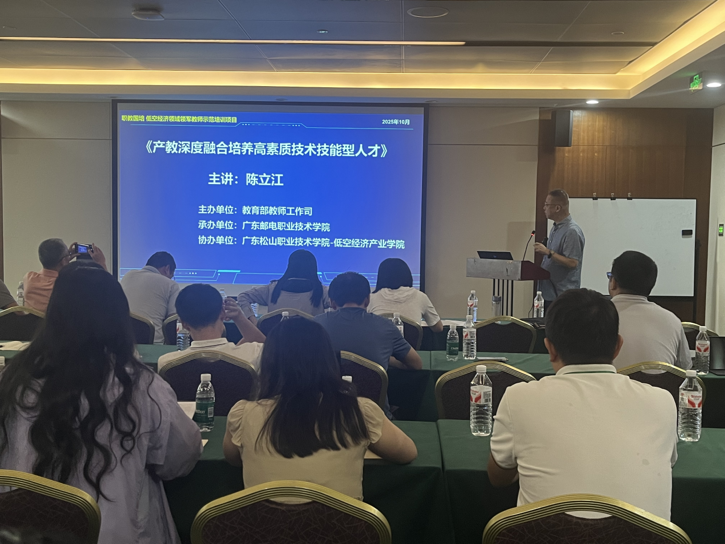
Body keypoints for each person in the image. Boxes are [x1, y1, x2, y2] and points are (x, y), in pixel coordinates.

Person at [0, 262, 202, 544]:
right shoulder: (141, 385)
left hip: (24, 534)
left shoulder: (14, 379)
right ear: (119, 320)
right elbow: (179, 459)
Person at [488, 288, 677, 521]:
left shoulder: (518, 398)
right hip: (645, 536)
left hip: (545, 535)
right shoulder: (662, 402)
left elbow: (499, 478)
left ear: (550, 348)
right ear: (618, 346)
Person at [223, 318, 417, 500]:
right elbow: (407, 453)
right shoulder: (360, 411)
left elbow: (233, 458)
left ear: (268, 362)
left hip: (261, 526)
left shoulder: (243, 413)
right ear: (327, 359)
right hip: (342, 525)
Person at [315, 272, 423, 418]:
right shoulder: (386, 327)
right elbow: (416, 364)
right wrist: (385, 360)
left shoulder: (314, 326)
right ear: (367, 300)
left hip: (322, 415)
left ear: (332, 302)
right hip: (375, 418)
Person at [608, 251, 691, 371]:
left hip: (608, 383)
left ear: (613, 283)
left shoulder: (596, 316)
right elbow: (684, 370)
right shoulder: (672, 320)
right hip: (661, 384)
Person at [158, 284, 266, 373]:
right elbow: (267, 346)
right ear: (222, 313)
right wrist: (239, 317)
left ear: (183, 324)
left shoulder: (167, 363)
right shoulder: (253, 354)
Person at [237, 249, 330, 321]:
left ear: (289, 266)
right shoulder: (322, 291)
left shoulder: (272, 289)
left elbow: (243, 296)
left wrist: (253, 321)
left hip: (275, 339)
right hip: (313, 339)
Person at [23, 239, 106, 312]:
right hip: (59, 325)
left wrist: (65, 259)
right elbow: (106, 292)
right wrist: (101, 263)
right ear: (63, 261)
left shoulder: (29, 278)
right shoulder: (69, 284)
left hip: (36, 325)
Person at [534, 189, 585, 306]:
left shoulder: (572, 231)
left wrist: (548, 252)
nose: (544, 208)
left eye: (547, 205)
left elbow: (573, 262)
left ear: (557, 208)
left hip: (563, 296)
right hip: (549, 292)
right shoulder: (555, 228)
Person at [368, 258, 443, 332]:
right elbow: (438, 328)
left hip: (379, 340)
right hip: (410, 341)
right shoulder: (421, 297)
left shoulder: (371, 299)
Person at [120, 251, 180, 344]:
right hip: (154, 345)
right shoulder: (171, 285)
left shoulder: (128, 276)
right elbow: (171, 322)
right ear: (167, 269)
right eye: (171, 276)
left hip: (124, 341)